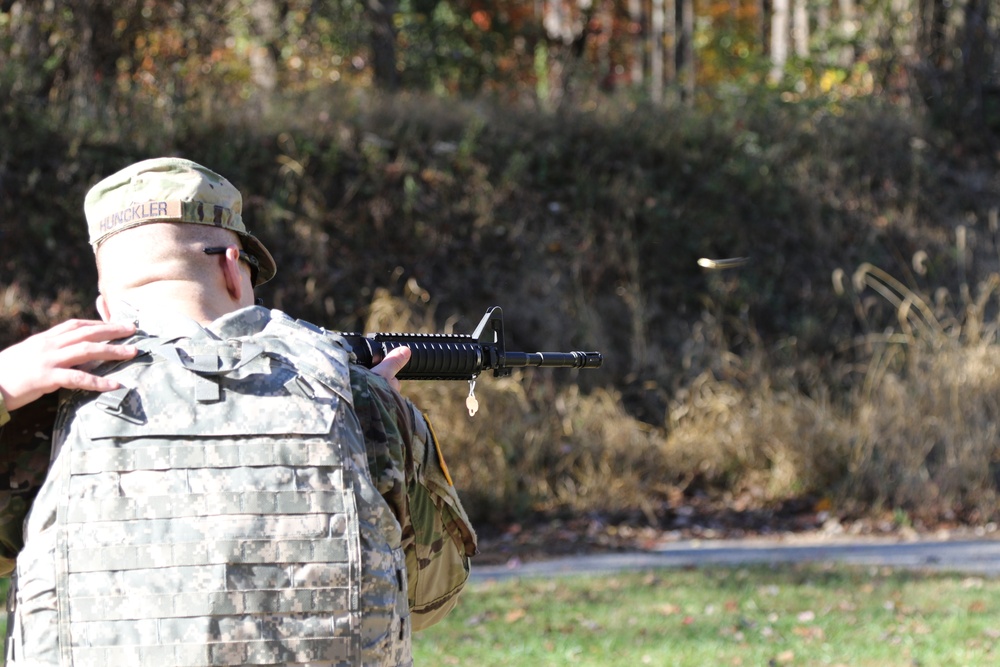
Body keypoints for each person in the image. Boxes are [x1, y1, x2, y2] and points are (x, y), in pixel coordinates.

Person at [0, 157, 477, 666]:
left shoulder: (49, 405)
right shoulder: (358, 399)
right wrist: (385, 416)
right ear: (233, 265)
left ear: (106, 308)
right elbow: (431, 596)